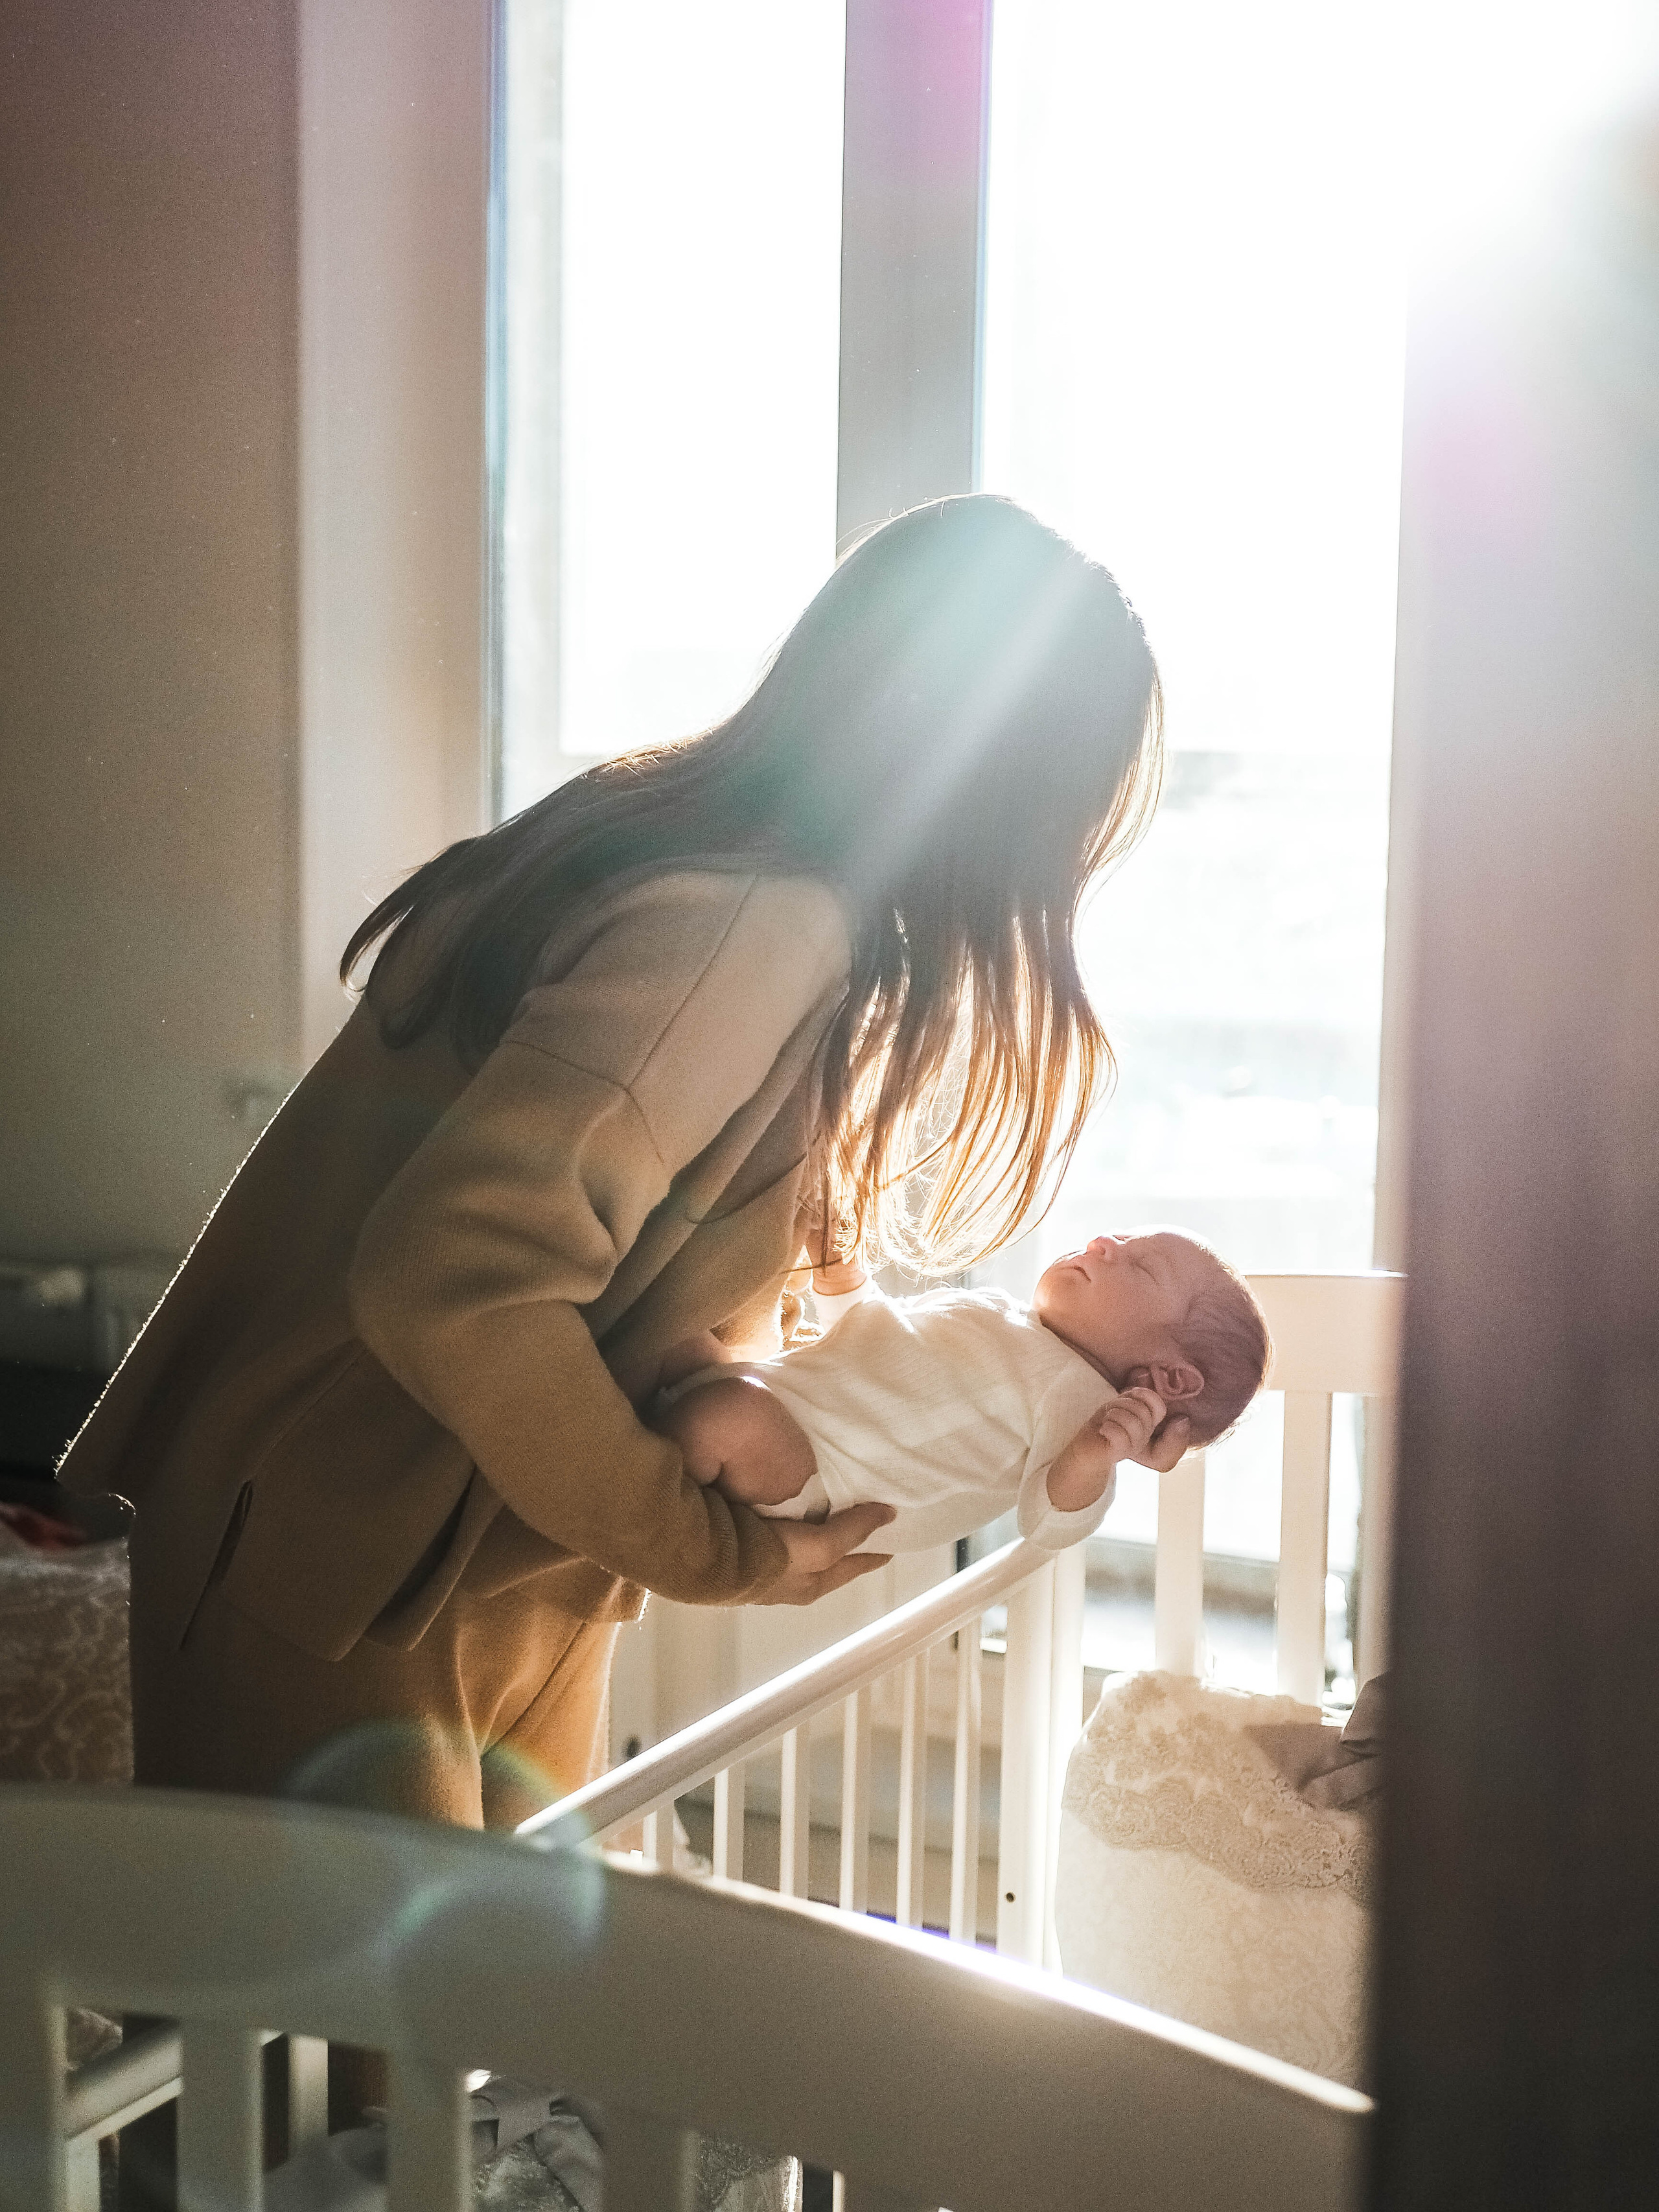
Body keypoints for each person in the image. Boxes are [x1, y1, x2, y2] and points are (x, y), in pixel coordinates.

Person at [59, 493, 1187, 1838]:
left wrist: (1065, 1376)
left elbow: (683, 1240)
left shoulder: (687, 851)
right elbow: (452, 1280)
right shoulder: (746, 919)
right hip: (349, 1553)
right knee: (335, 2042)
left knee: (479, 2021)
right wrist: (711, 1547)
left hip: (465, 1549)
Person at [653, 1229, 1272, 1555]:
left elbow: (1048, 1522)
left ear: (1169, 1378)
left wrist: (1092, 1456)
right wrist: (843, 1275)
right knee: (666, 1342)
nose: (1103, 1243)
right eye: (1118, 1236)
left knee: (716, 1420)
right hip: (784, 1395)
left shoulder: (1081, 1401)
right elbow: (874, 1337)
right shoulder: (1004, 1317)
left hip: (818, 1470)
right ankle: (637, 1431)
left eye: (1138, 1265)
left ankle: (640, 1486)